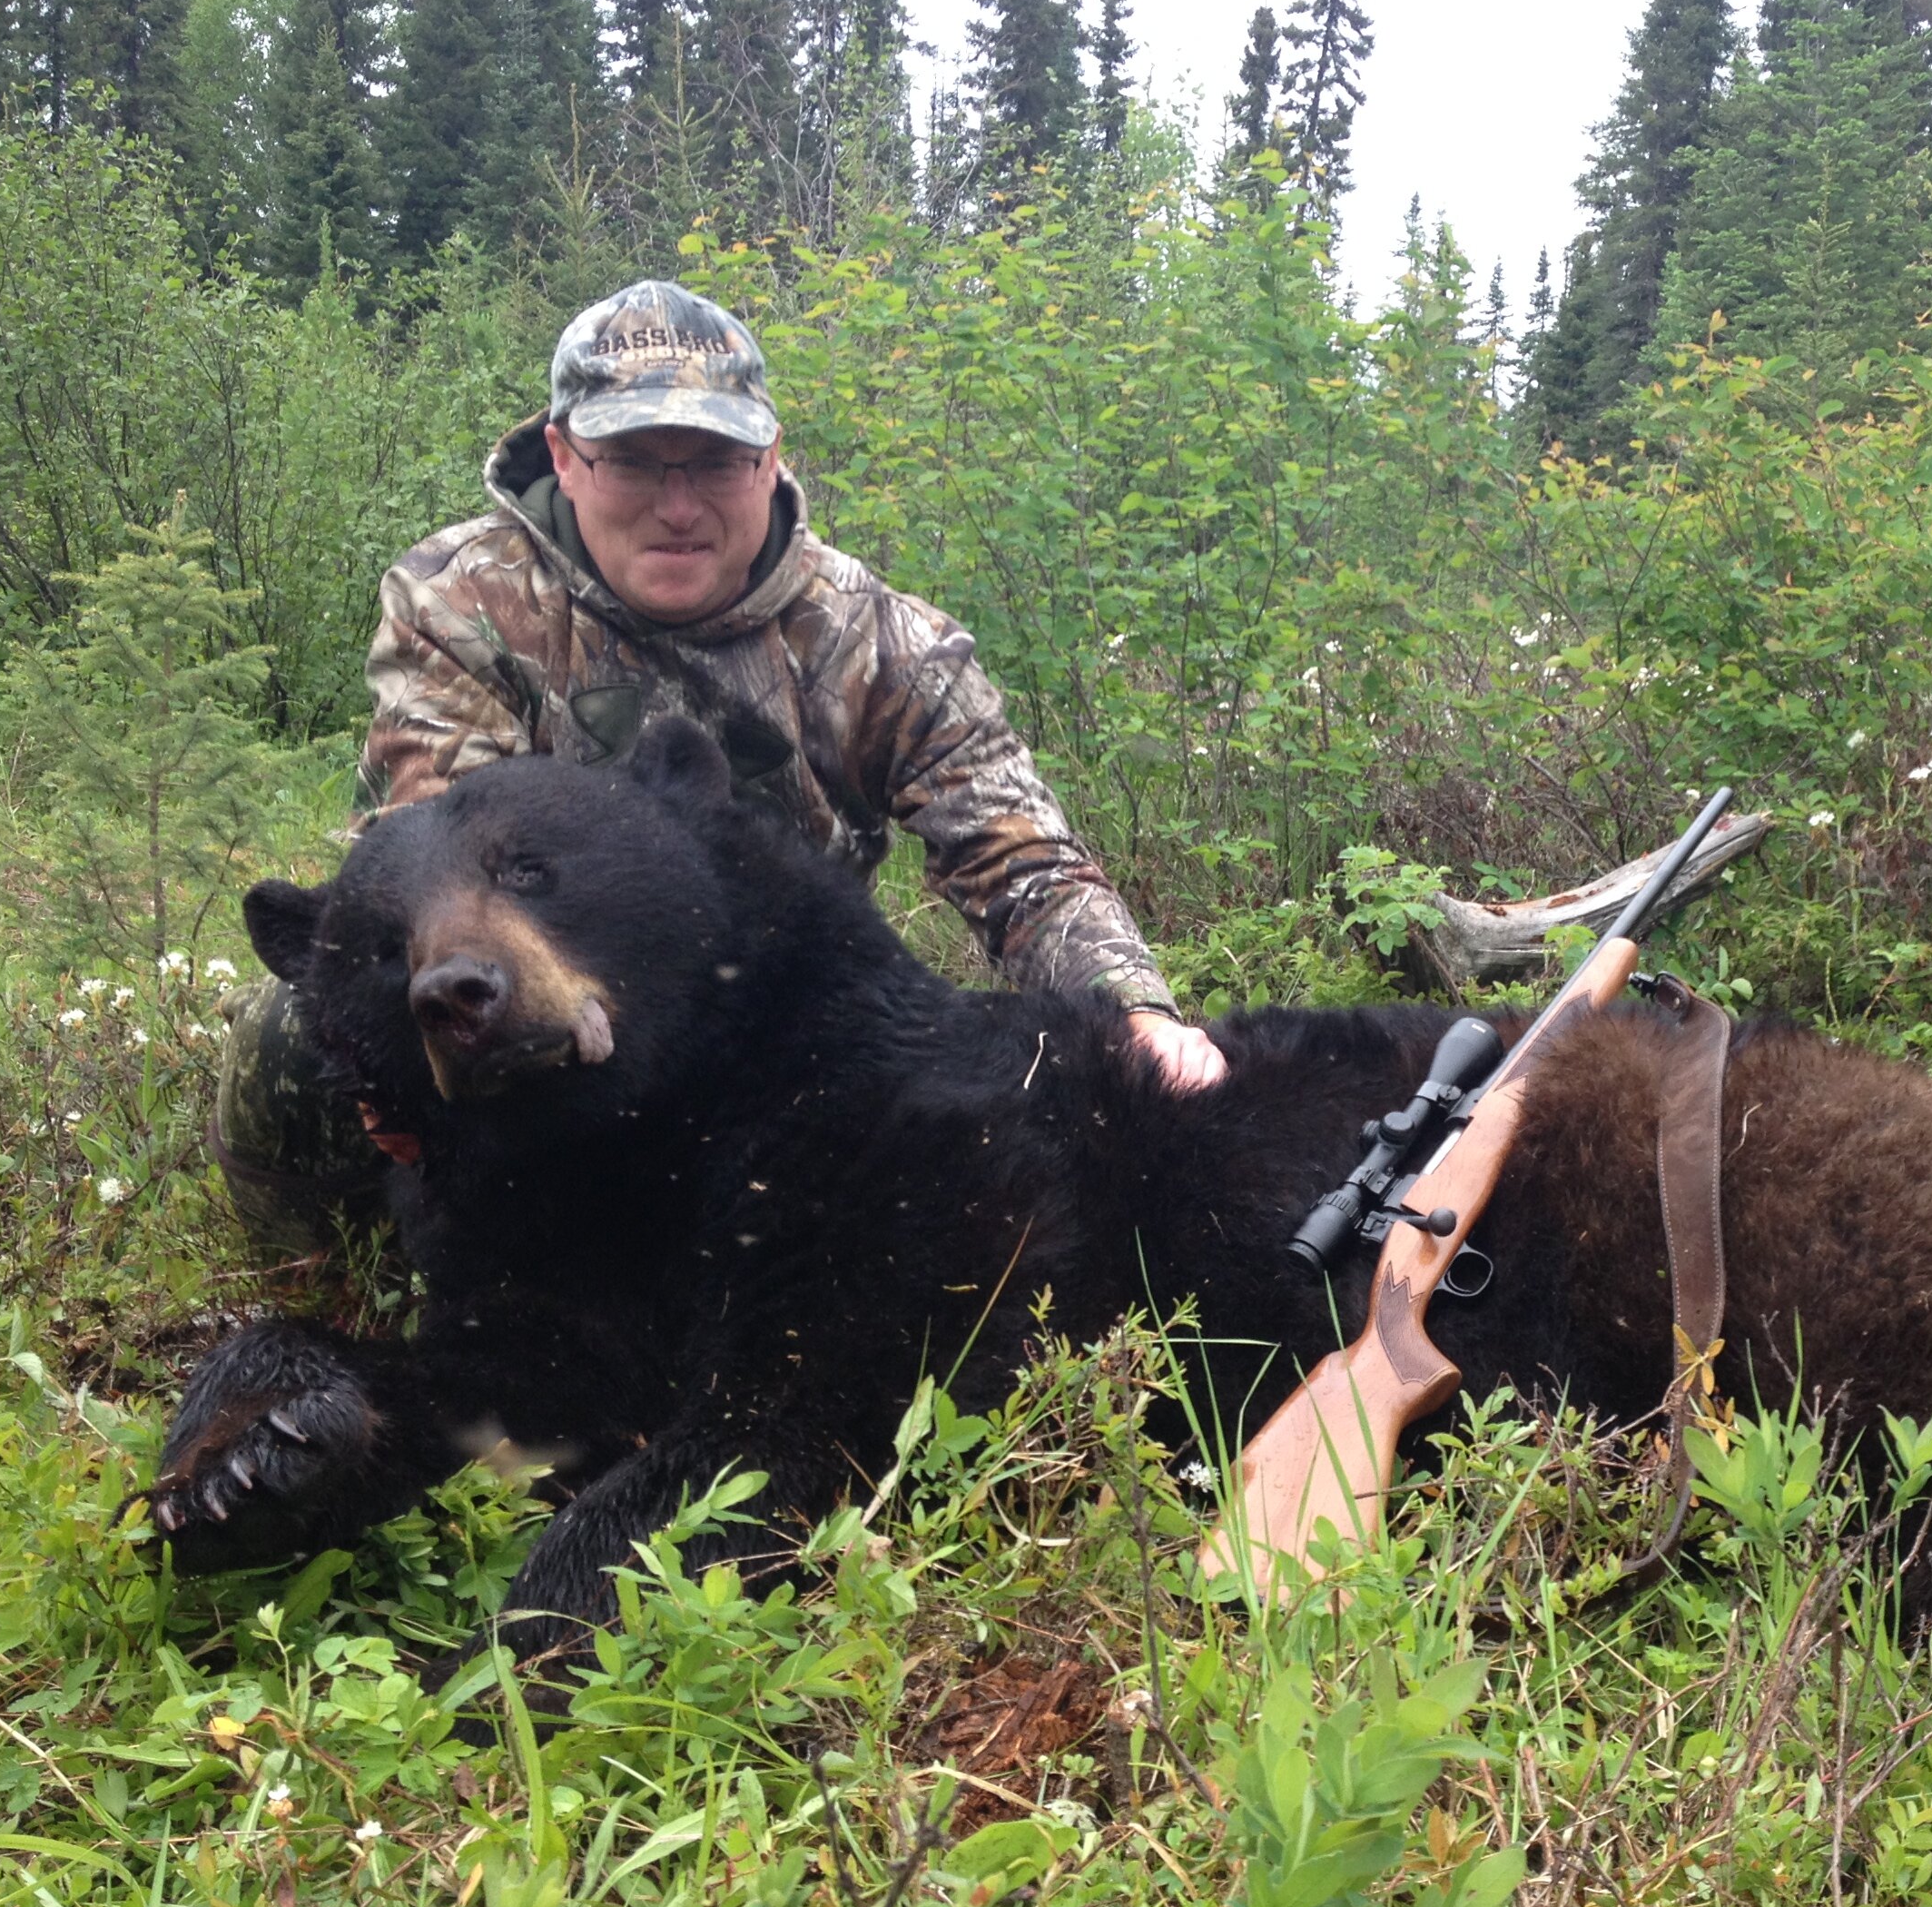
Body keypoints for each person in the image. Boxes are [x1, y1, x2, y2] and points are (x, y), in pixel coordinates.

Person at [213, 279, 1224, 1253]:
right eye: (636, 463)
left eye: (714, 462)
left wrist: (1134, 1013)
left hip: (776, 1032)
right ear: (563, 457)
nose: (679, 504)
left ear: (772, 459)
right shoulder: (463, 604)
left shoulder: (880, 642)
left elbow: (1024, 866)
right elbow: (428, 867)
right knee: (296, 1042)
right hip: (546, 1035)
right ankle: (355, 1264)